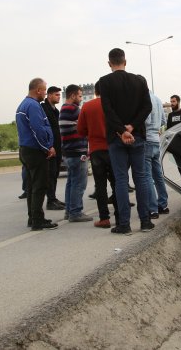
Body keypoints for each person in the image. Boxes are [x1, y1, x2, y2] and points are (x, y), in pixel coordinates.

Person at [99, 48, 153, 235]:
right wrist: (132, 127)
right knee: (141, 178)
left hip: (116, 137)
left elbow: (107, 110)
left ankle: (124, 224)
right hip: (137, 135)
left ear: (109, 63)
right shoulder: (139, 80)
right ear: (125, 61)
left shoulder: (104, 82)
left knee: (121, 180)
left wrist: (122, 130)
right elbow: (147, 106)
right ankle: (145, 222)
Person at [16, 78, 58, 231]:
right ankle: (37, 221)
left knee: (32, 185)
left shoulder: (24, 104)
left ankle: (33, 217)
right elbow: (37, 129)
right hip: (35, 151)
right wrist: (47, 147)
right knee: (39, 186)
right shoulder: (33, 106)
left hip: (26, 150)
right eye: (45, 90)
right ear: (38, 90)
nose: (45, 93)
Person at [77, 80, 119, 228]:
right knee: (117, 183)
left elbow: (80, 130)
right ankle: (120, 216)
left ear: (95, 92)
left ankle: (104, 218)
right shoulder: (114, 105)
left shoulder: (87, 106)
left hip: (96, 151)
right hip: (114, 149)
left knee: (100, 186)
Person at [59, 84, 92, 222]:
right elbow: (86, 126)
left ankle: (69, 210)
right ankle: (75, 212)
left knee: (71, 182)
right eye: (79, 96)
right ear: (72, 95)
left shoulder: (63, 109)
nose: (80, 98)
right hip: (78, 152)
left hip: (69, 152)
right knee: (79, 183)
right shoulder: (73, 109)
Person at [144, 90, 169, 219]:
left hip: (146, 140)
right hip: (156, 140)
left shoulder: (143, 98)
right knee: (158, 175)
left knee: (147, 176)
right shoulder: (158, 100)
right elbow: (164, 121)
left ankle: (153, 209)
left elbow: (146, 120)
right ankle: (163, 205)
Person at [40, 86, 66, 210]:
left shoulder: (56, 110)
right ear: (49, 95)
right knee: (50, 174)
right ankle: (50, 201)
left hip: (58, 147)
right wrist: (48, 146)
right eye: (56, 95)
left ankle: (53, 198)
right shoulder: (43, 108)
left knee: (55, 173)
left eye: (59, 95)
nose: (58, 97)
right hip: (50, 148)